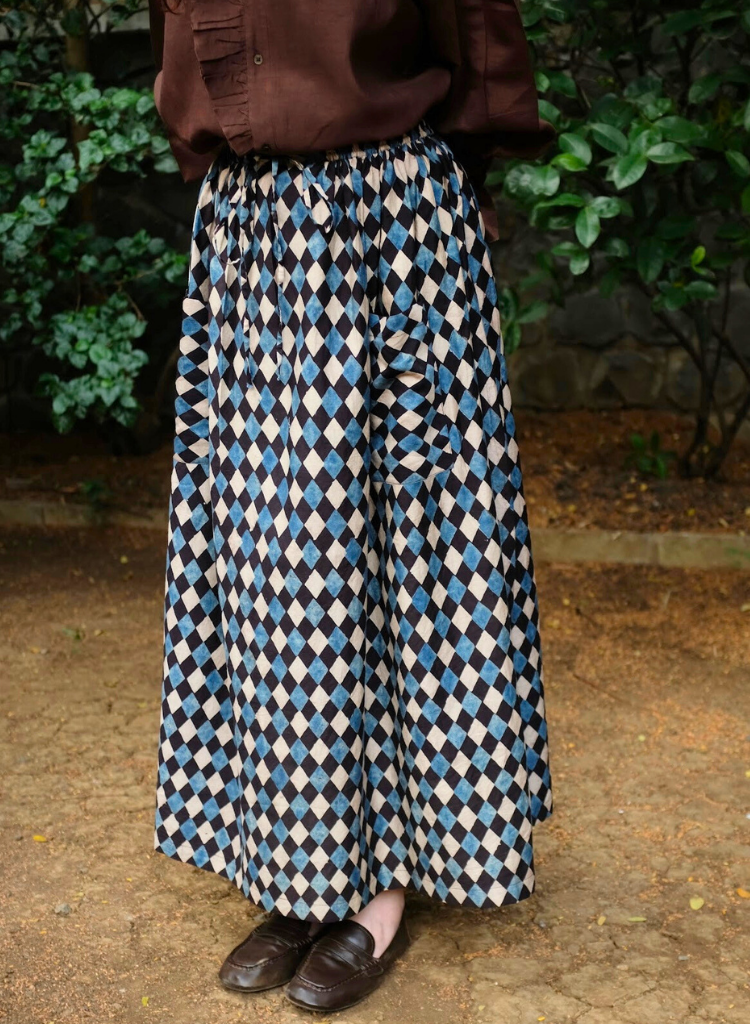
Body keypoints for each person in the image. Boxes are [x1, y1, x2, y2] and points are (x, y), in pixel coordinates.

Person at [148, 0, 554, 1013]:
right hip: (252, 238)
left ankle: (383, 884)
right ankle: (298, 873)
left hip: (388, 226)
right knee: (272, 569)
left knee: (404, 554)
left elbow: (476, 45)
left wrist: (434, 194)